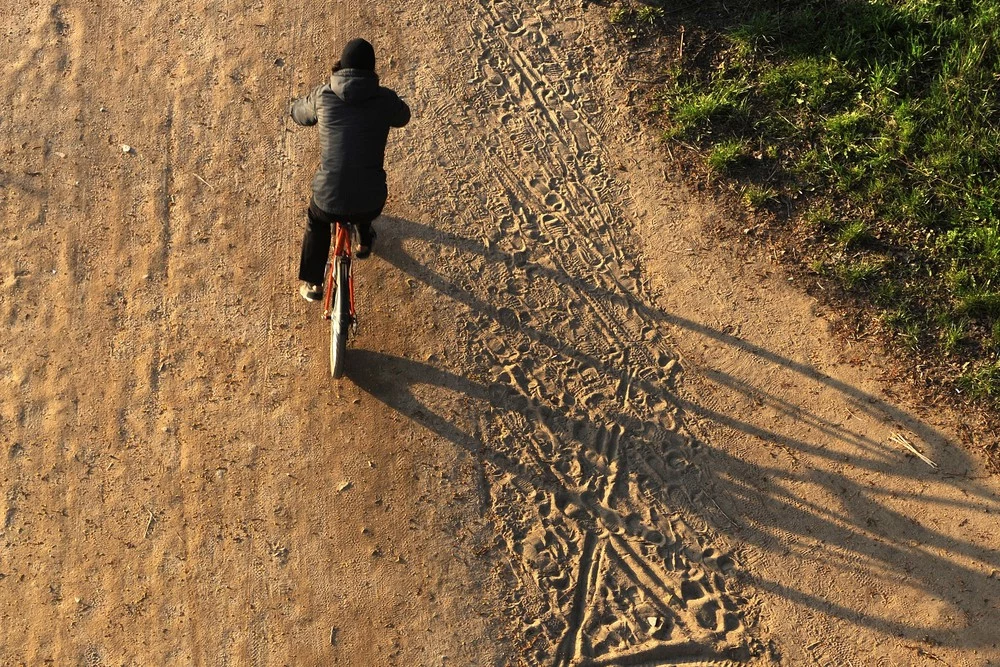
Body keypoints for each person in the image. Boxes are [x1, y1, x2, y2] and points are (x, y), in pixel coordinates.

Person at [290, 38, 411, 302]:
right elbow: (404, 116)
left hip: (328, 198)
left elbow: (299, 114)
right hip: (372, 200)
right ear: (372, 70)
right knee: (365, 187)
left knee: (318, 220)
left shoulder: (323, 95)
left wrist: (294, 106)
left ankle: (313, 284)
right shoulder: (385, 99)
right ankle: (364, 241)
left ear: (341, 67)